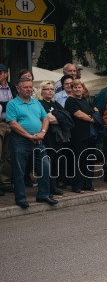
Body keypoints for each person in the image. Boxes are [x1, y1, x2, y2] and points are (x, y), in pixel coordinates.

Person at [6, 78, 57, 208]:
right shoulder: (12, 104)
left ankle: (43, 195)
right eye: (26, 87)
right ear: (18, 89)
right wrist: (29, 135)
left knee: (45, 167)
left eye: (30, 87)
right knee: (20, 171)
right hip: (20, 141)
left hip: (38, 140)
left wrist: (43, 132)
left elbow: (45, 118)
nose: (29, 89)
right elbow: (12, 123)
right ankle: (21, 198)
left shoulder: (36, 102)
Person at [35, 80, 72, 196]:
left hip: (57, 137)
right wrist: (59, 117)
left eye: (52, 89)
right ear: (41, 91)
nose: (50, 91)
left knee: (56, 162)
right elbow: (48, 119)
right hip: (46, 137)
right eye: (47, 89)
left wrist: (57, 117)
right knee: (46, 163)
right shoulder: (39, 103)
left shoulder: (55, 103)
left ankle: (54, 186)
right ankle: (47, 187)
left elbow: (67, 117)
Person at [65, 80, 97, 193]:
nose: (78, 89)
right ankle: (77, 186)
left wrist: (93, 115)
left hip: (90, 135)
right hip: (78, 135)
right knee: (79, 160)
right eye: (75, 87)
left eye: (80, 87)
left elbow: (95, 110)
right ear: (72, 89)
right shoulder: (70, 101)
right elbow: (79, 115)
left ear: (83, 89)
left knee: (89, 160)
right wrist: (93, 119)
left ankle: (88, 184)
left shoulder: (85, 100)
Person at [0, 63, 17, 195]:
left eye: (1, 72)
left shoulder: (12, 87)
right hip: (0, 123)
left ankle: (5, 183)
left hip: (10, 124)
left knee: (8, 155)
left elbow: (16, 104)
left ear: (6, 74)